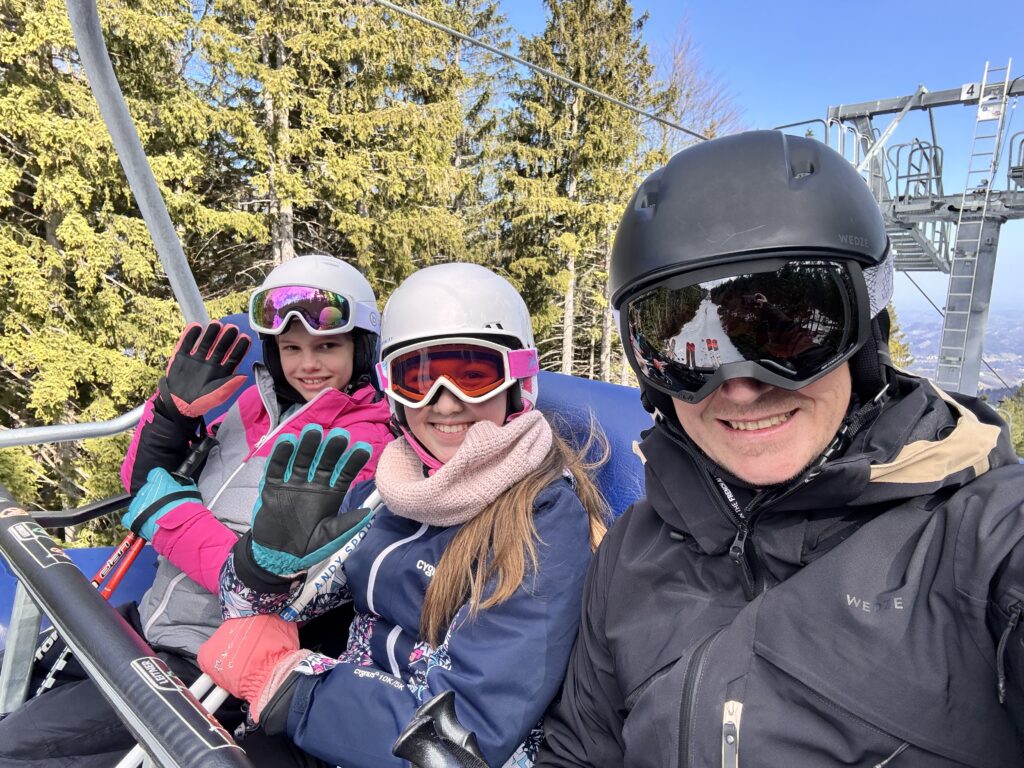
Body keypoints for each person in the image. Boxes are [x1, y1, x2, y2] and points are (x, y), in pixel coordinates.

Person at [537, 131, 1024, 767]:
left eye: (786, 334)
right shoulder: (632, 551)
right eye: (693, 350)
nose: (740, 388)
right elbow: (579, 754)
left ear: (864, 338)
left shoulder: (982, 541)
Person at [197, 263, 610, 768]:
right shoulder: (390, 490)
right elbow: (251, 617)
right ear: (393, 390)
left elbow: (464, 735)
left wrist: (287, 686)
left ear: (517, 382)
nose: (446, 404)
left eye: (474, 377)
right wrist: (265, 568)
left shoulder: (542, 522)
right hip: (336, 730)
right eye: (419, 379)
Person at [0, 254, 393, 767]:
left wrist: (164, 514)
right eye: (291, 348)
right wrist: (169, 418)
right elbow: (144, 483)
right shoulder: (253, 406)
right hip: (144, 621)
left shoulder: (362, 444)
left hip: (200, 661)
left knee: (14, 750)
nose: (307, 365)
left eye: (327, 347)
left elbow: (280, 580)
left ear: (361, 348)